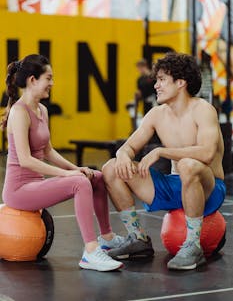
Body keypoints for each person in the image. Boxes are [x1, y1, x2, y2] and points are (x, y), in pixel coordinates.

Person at [102, 51, 226, 270]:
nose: (156, 85)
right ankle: (138, 239)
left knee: (188, 165)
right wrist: (122, 155)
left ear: (180, 83)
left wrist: (162, 152)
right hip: (176, 185)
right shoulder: (157, 114)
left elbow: (207, 153)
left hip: (209, 188)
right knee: (111, 167)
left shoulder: (203, 110)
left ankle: (193, 245)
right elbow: (129, 146)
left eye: (161, 80)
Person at [0, 54, 124, 272]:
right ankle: (90, 252)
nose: (52, 83)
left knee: (95, 177)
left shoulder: (42, 110)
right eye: (48, 78)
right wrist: (67, 176)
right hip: (18, 191)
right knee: (79, 183)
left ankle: (106, 237)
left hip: (35, 185)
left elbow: (47, 150)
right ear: (32, 80)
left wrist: (77, 169)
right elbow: (26, 160)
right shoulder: (19, 112)